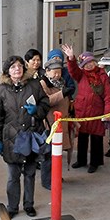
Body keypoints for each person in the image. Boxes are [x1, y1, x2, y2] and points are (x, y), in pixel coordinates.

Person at [0, 56, 49, 217]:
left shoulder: (34, 85)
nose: (17, 69)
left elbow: (46, 104)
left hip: (30, 135)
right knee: (13, 175)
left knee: (30, 173)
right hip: (11, 138)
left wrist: (36, 110)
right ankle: (12, 207)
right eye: (12, 67)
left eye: (19, 66)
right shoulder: (1, 89)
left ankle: (29, 204)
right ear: (7, 71)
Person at [63, 45, 110, 173]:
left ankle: (95, 162)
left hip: (97, 112)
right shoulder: (81, 75)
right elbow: (73, 70)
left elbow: (108, 96)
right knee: (82, 137)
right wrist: (71, 57)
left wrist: (107, 113)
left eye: (91, 62)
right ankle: (81, 160)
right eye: (86, 63)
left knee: (96, 138)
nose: (89, 65)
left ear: (94, 62)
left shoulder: (103, 76)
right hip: (82, 112)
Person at [39, 57, 74, 190]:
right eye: (54, 72)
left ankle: (56, 175)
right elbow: (47, 101)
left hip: (62, 122)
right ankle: (47, 180)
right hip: (50, 123)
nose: (57, 75)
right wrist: (62, 93)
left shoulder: (61, 82)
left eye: (59, 72)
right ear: (47, 71)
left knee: (58, 152)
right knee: (48, 154)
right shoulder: (43, 84)